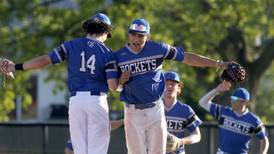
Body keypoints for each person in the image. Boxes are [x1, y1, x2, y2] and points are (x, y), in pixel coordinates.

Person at [0, 13, 120, 154]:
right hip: (97, 101)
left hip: (75, 102)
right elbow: (113, 85)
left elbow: (44, 61)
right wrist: (123, 83)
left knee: (80, 151)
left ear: (88, 28)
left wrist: (15, 66)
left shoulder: (71, 45)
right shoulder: (108, 53)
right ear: (105, 31)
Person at [115, 18, 230, 154]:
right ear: (128, 34)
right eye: (133, 34)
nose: (136, 38)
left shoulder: (158, 48)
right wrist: (120, 81)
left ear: (148, 37)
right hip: (132, 110)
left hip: (155, 109)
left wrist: (218, 64)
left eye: (141, 35)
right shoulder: (118, 56)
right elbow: (115, 87)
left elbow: (187, 57)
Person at [199, 81, 269, 154]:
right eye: (232, 98)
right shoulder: (223, 112)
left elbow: (264, 140)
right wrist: (216, 90)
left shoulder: (254, 120)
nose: (232, 101)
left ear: (245, 102)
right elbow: (202, 102)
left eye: (235, 99)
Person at [164, 71, 202, 154]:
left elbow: (197, 136)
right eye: (166, 83)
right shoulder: (153, 108)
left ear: (178, 87)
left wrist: (180, 141)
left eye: (173, 84)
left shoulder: (186, 110)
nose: (169, 86)